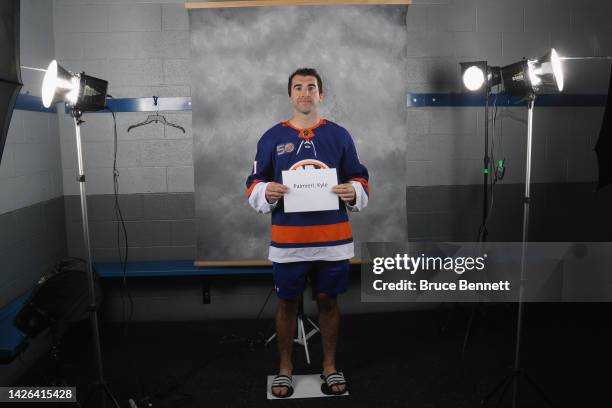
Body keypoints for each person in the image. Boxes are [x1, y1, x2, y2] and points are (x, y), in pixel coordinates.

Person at [245, 68, 369, 398]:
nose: (304, 93)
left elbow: (360, 177)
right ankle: (285, 369)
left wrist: (353, 190)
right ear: (290, 95)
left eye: (311, 87)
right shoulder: (271, 137)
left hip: (332, 241)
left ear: (321, 94)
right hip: (289, 242)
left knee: (328, 301)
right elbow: (253, 183)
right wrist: (266, 191)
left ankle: (329, 366)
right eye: (298, 87)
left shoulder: (339, 135)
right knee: (287, 303)